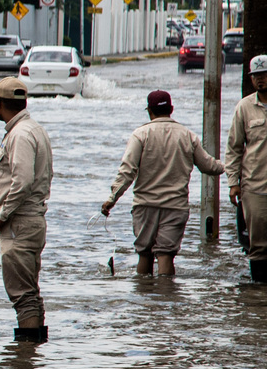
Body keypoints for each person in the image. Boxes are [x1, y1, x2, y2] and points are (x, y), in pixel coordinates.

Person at [100, 89, 223, 275]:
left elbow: (127, 171)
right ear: (171, 109)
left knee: (145, 254)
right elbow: (209, 166)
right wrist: (232, 167)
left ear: (149, 111)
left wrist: (112, 198)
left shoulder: (140, 135)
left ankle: (146, 299)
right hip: (176, 206)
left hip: (145, 206)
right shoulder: (187, 135)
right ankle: (166, 299)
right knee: (165, 255)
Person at [0, 76, 53, 344]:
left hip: (19, 224)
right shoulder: (34, 129)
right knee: (30, 293)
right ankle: (34, 353)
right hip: (31, 222)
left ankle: (25, 361)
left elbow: (23, 181)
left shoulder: (20, 135)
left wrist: (1, 215)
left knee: (23, 296)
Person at [228, 54, 267, 282]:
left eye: (263, 75)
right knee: (258, 244)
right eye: (256, 77)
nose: (260, 80)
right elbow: (234, 148)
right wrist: (234, 183)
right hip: (254, 187)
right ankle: (258, 293)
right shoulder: (244, 108)